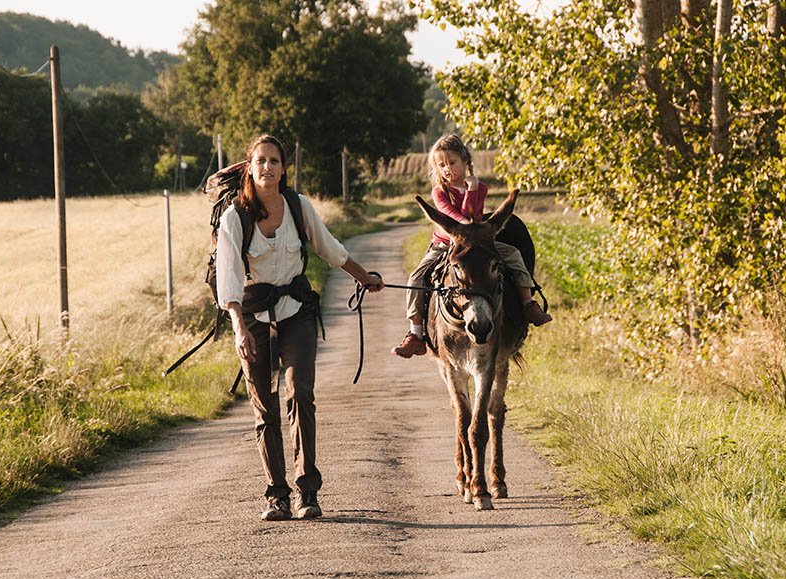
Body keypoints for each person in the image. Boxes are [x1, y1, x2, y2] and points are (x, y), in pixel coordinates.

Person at [217, 134, 383, 521]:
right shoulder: (234, 217)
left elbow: (329, 248)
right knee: (264, 407)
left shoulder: (297, 206)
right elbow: (227, 280)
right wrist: (239, 329)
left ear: (283, 167)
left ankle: (307, 491)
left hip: (297, 312)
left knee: (301, 393)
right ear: (250, 166)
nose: (268, 168)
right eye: (261, 161)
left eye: (274, 161)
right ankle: (277, 495)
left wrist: (364, 276)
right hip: (252, 318)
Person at [392, 133, 551, 359]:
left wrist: (473, 190)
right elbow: (455, 218)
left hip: (478, 243)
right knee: (416, 277)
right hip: (446, 244)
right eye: (441, 165)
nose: (447, 169)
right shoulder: (439, 192)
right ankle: (415, 334)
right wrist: (469, 218)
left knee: (513, 255)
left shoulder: (481, 188)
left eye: (452, 163)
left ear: (466, 161)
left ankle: (527, 304)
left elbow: (473, 215)